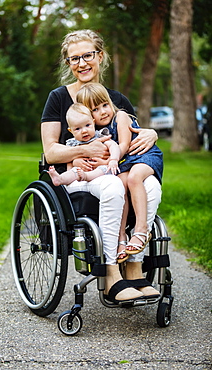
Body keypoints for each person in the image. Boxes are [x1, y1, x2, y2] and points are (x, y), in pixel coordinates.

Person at [41, 29, 161, 304]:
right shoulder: (58, 98)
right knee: (112, 186)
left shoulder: (117, 100)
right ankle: (111, 273)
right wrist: (87, 150)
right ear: (68, 63)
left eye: (87, 55)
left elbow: (134, 133)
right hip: (77, 175)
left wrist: (151, 133)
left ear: (100, 56)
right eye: (74, 58)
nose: (81, 63)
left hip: (112, 168)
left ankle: (134, 264)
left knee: (149, 183)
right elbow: (50, 151)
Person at [76, 83, 163, 267]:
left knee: (133, 178)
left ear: (110, 102)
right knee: (121, 184)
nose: (103, 112)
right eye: (95, 110)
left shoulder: (121, 117)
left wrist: (108, 162)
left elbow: (123, 145)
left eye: (105, 105)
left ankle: (142, 228)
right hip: (125, 164)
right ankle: (121, 236)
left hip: (144, 156)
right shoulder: (96, 132)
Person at [48, 103, 120, 187]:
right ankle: (60, 179)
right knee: (73, 172)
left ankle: (86, 176)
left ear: (93, 123)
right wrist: (74, 164)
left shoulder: (100, 136)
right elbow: (69, 164)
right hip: (81, 173)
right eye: (78, 129)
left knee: (104, 169)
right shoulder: (72, 144)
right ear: (71, 131)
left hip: (100, 170)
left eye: (87, 125)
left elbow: (114, 146)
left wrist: (113, 160)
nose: (84, 131)